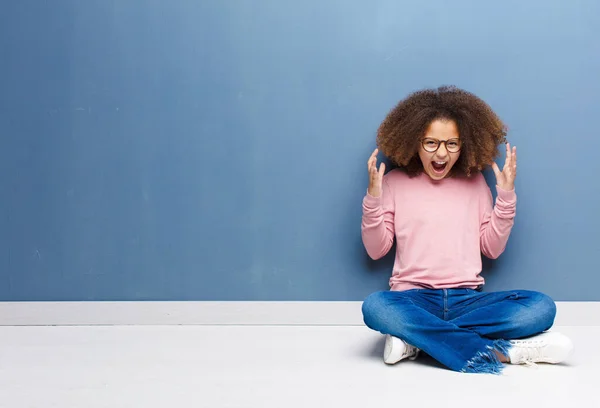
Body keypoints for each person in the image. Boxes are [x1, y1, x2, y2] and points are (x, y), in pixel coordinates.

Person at [360, 85, 573, 374]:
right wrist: (373, 199)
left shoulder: (476, 184)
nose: (441, 153)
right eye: (431, 143)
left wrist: (506, 197)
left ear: (464, 145)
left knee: (540, 307)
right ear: (414, 142)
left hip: (467, 300)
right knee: (376, 306)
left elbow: (492, 249)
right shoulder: (394, 183)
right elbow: (376, 250)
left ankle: (416, 342)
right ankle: (505, 352)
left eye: (452, 144)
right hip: (412, 299)